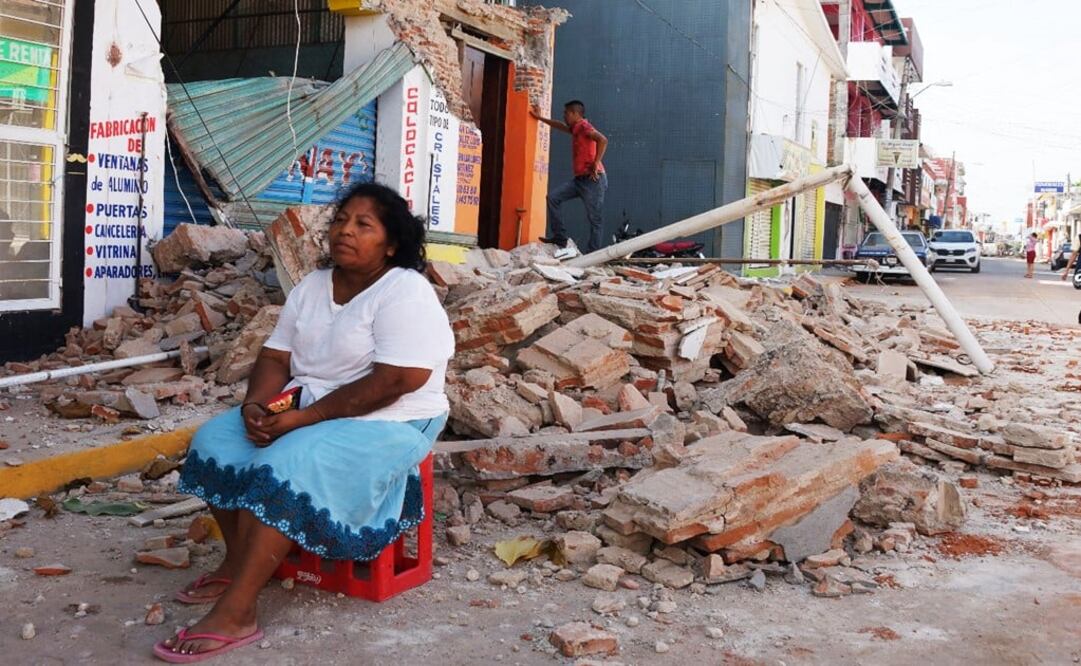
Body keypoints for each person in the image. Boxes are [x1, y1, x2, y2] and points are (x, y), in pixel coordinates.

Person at [154, 182, 455, 663]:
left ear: (391, 243)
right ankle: (239, 563)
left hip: (395, 417)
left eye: (364, 224)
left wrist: (303, 419)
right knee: (215, 441)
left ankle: (238, 612)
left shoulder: (405, 290)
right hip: (311, 405)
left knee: (289, 463)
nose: (345, 231)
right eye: (340, 220)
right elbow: (276, 355)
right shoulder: (314, 286)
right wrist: (257, 405)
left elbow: (396, 380)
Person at [531, 100, 609, 252]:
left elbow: (603, 140)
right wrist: (540, 118)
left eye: (566, 113)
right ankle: (560, 238)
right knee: (553, 198)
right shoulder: (576, 128)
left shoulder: (584, 126)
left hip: (593, 180)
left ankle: (592, 256)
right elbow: (561, 126)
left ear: (575, 113)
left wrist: (596, 162)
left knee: (595, 220)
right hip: (580, 180)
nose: (564, 116)